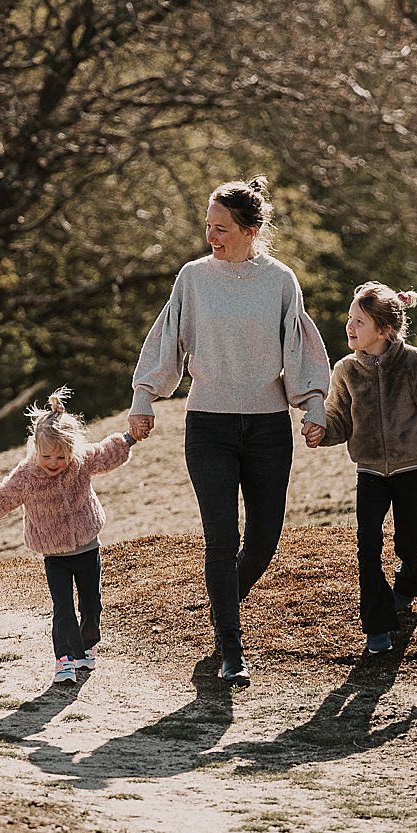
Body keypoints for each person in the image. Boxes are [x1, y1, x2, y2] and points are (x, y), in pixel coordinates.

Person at [128, 175, 331, 685]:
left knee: (263, 541)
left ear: (250, 229)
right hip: (209, 426)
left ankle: (222, 607)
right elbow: (168, 337)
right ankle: (231, 650)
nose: (210, 237)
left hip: (267, 429)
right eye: (208, 226)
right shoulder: (193, 278)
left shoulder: (280, 280)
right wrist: (145, 395)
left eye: (220, 228)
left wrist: (312, 404)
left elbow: (298, 343)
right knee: (222, 537)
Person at [312, 282, 417, 656]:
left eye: (359, 321)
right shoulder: (346, 371)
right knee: (367, 547)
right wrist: (320, 431)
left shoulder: (414, 363)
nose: (350, 328)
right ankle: (377, 625)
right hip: (369, 471)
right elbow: (339, 420)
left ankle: (411, 576)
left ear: (385, 330)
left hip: (411, 467)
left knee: (407, 542)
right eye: (349, 319)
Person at [0, 389, 138, 685]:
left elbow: (107, 453)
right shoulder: (27, 475)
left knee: (91, 605)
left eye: (61, 456)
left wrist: (129, 438)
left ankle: (86, 647)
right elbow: (3, 495)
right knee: (63, 609)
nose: (54, 462)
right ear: (35, 449)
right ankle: (64, 661)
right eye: (47, 456)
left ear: (72, 450)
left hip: (87, 547)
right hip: (54, 555)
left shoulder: (81, 461)